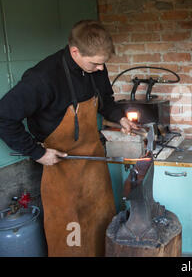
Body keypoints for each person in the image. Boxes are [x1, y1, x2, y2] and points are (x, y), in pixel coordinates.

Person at [0, 20, 139, 256]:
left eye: (103, 64)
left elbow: (106, 100)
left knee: (101, 222)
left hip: (94, 162)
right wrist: (38, 153)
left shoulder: (97, 69)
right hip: (60, 167)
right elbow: (4, 117)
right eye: (94, 63)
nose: (100, 69)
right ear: (75, 51)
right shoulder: (42, 78)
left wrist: (119, 118)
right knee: (70, 235)